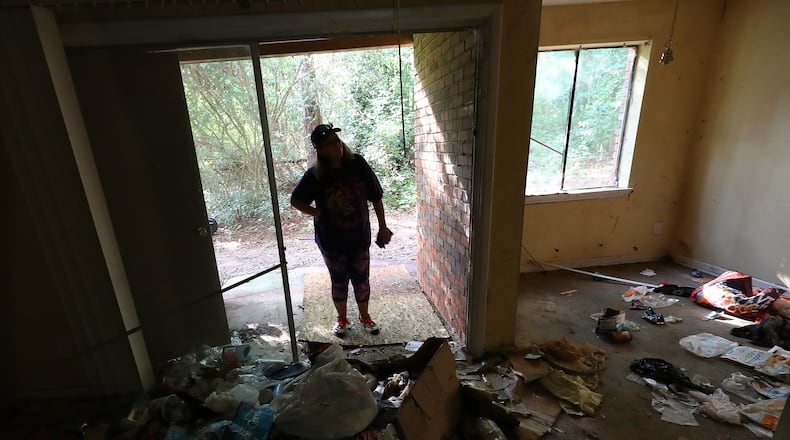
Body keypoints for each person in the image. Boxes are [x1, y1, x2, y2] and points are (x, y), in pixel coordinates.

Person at [290, 123, 393, 337]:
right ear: (320, 150)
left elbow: (376, 196)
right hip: (331, 241)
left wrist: (383, 227)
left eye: (336, 140)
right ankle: (342, 320)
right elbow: (296, 200)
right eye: (329, 143)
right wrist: (316, 212)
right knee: (339, 281)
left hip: (359, 236)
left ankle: (365, 317)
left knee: (362, 280)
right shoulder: (315, 175)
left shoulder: (358, 164)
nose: (336, 145)